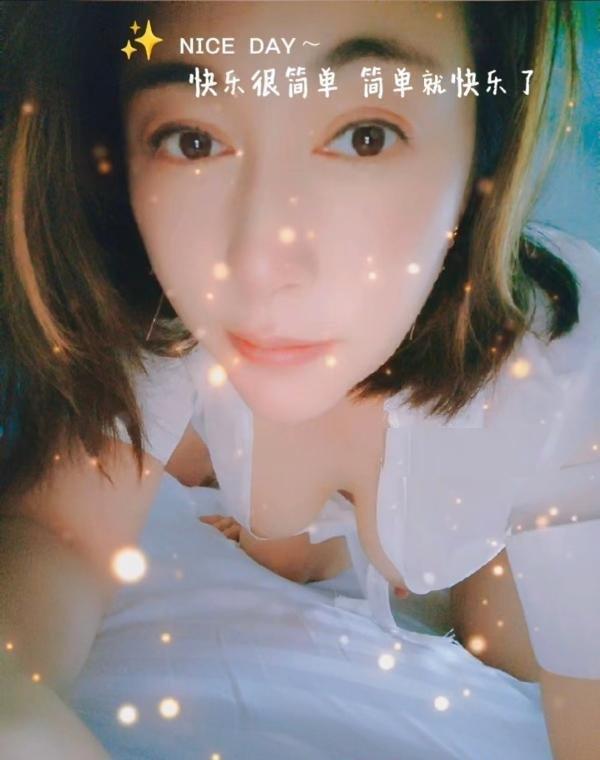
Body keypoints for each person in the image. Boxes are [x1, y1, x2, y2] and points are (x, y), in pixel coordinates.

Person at [1, 2, 599, 758]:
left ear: (486, 140)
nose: (259, 266)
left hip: (509, 466)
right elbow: (62, 535)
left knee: (509, 637)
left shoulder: (566, 361)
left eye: (365, 137)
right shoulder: (157, 309)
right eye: (193, 141)